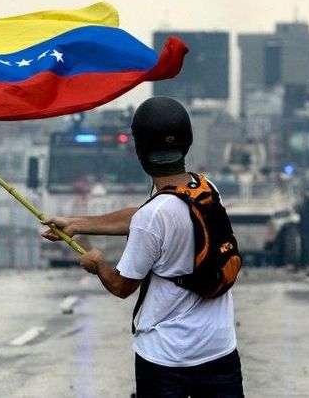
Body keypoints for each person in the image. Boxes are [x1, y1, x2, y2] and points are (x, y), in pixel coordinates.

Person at [42, 96, 244, 397]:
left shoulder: (153, 218)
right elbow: (143, 216)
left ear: (140, 151)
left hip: (166, 360)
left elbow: (122, 287)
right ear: (186, 143)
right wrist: (76, 224)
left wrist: (96, 263)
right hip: (219, 350)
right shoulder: (204, 189)